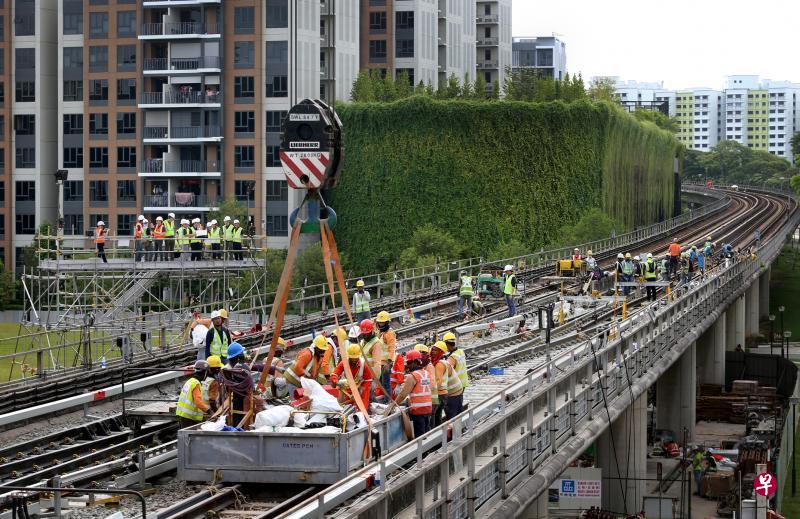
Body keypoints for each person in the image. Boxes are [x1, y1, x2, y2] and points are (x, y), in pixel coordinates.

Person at [391, 350, 433, 438]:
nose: (408, 366)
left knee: (420, 436)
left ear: (415, 362)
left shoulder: (412, 376)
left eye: (409, 363)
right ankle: (428, 450)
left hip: (418, 410)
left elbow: (403, 394)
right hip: (428, 408)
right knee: (426, 432)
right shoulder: (426, 373)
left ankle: (422, 451)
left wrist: (393, 405)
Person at [431, 341, 463, 423]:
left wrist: (430, 393)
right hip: (456, 390)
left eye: (436, 350)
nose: (433, 352)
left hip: (453, 393)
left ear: (441, 352)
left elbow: (438, 380)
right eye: (433, 349)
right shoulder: (442, 362)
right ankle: (457, 432)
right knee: (456, 416)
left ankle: (454, 434)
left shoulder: (439, 364)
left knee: (452, 418)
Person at [176, 360, 211, 429]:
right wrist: (209, 411)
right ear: (205, 372)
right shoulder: (196, 384)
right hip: (189, 417)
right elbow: (198, 402)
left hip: (182, 414)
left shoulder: (190, 381)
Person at [359, 319, 386, 398]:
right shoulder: (363, 342)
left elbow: (377, 363)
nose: (365, 336)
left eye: (367, 334)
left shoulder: (375, 344)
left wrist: (374, 380)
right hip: (362, 376)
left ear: (372, 331)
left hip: (371, 377)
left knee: (369, 396)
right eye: (363, 334)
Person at [444, 331, 467, 414]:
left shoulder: (452, 357)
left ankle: (453, 425)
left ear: (447, 344)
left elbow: (446, 370)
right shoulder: (460, 352)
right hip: (463, 383)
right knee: (458, 405)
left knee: (452, 409)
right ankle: (459, 423)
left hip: (455, 386)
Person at [376, 311, 396, 395]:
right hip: (380, 362)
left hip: (386, 362)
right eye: (379, 323)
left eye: (382, 322)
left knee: (386, 383)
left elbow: (392, 348)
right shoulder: (380, 333)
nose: (381, 324)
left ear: (387, 322)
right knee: (381, 383)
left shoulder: (389, 333)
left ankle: (388, 401)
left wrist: (389, 362)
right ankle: (385, 399)